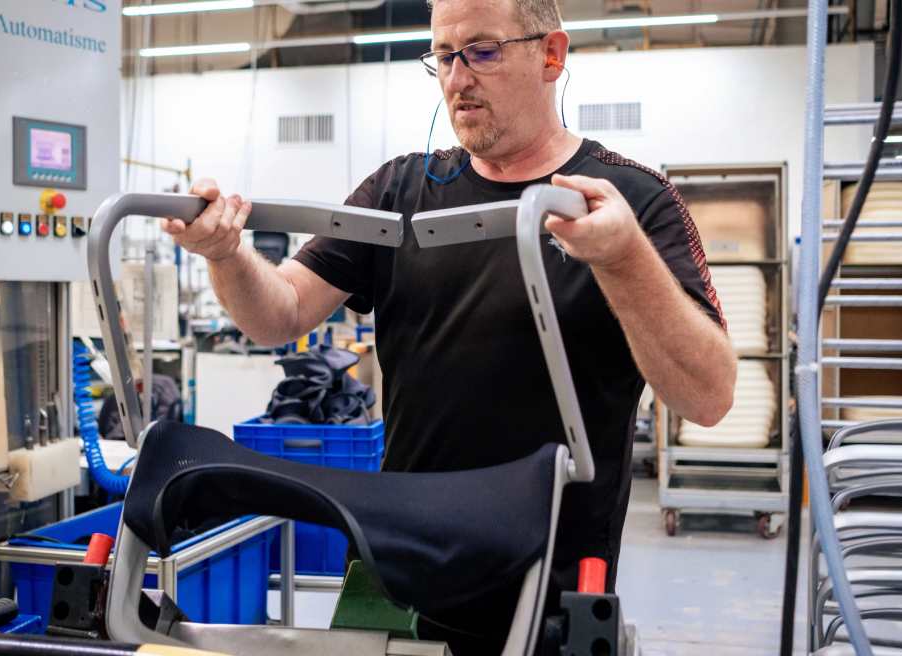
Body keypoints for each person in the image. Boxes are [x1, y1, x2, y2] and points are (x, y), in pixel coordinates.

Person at [161, 0, 736, 650]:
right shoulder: (398, 192)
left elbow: (707, 397)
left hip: (550, 581)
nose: (458, 78)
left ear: (551, 55)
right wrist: (227, 255)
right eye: (443, 55)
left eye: (483, 52)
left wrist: (624, 258)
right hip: (398, 568)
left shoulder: (630, 202)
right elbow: (281, 313)